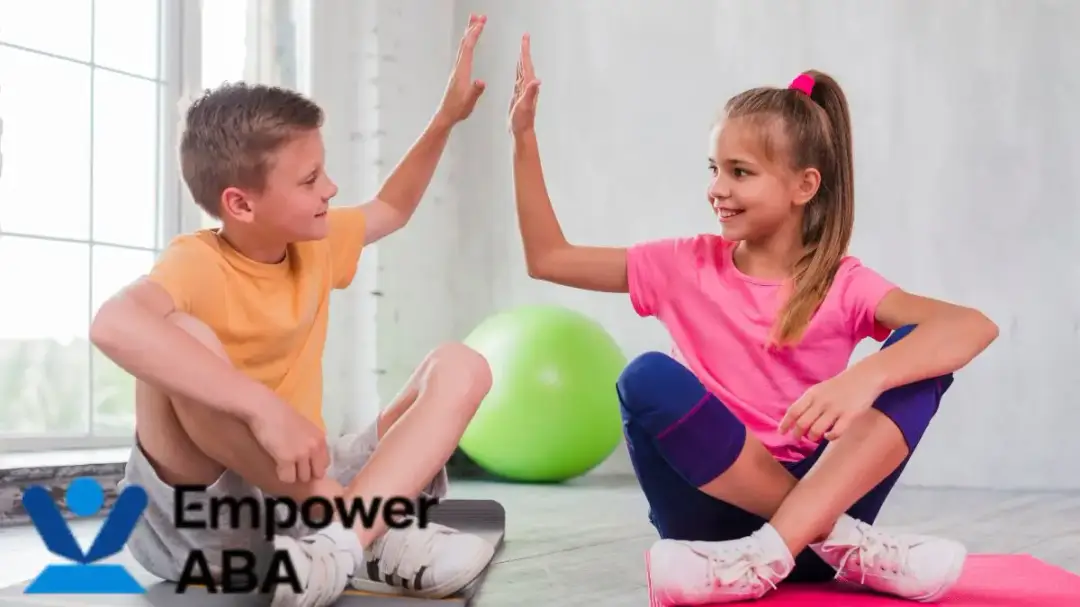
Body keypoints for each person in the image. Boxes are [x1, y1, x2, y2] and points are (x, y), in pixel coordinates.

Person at [507, 34, 999, 605]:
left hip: (795, 530)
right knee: (645, 376)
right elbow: (548, 258)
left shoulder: (842, 282)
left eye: (740, 172)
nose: (717, 189)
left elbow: (972, 327)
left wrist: (866, 377)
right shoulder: (682, 264)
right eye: (714, 168)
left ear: (803, 186)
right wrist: (522, 139)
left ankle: (772, 551)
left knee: (921, 358)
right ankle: (838, 540)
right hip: (718, 529)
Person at [91, 14, 497, 607]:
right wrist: (260, 408)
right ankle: (366, 531)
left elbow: (392, 207)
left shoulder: (317, 241)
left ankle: (341, 543)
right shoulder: (195, 262)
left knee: (462, 364)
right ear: (240, 204)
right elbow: (112, 324)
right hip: (207, 515)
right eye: (310, 179)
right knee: (178, 334)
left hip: (305, 486)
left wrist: (445, 118)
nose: (330, 188)